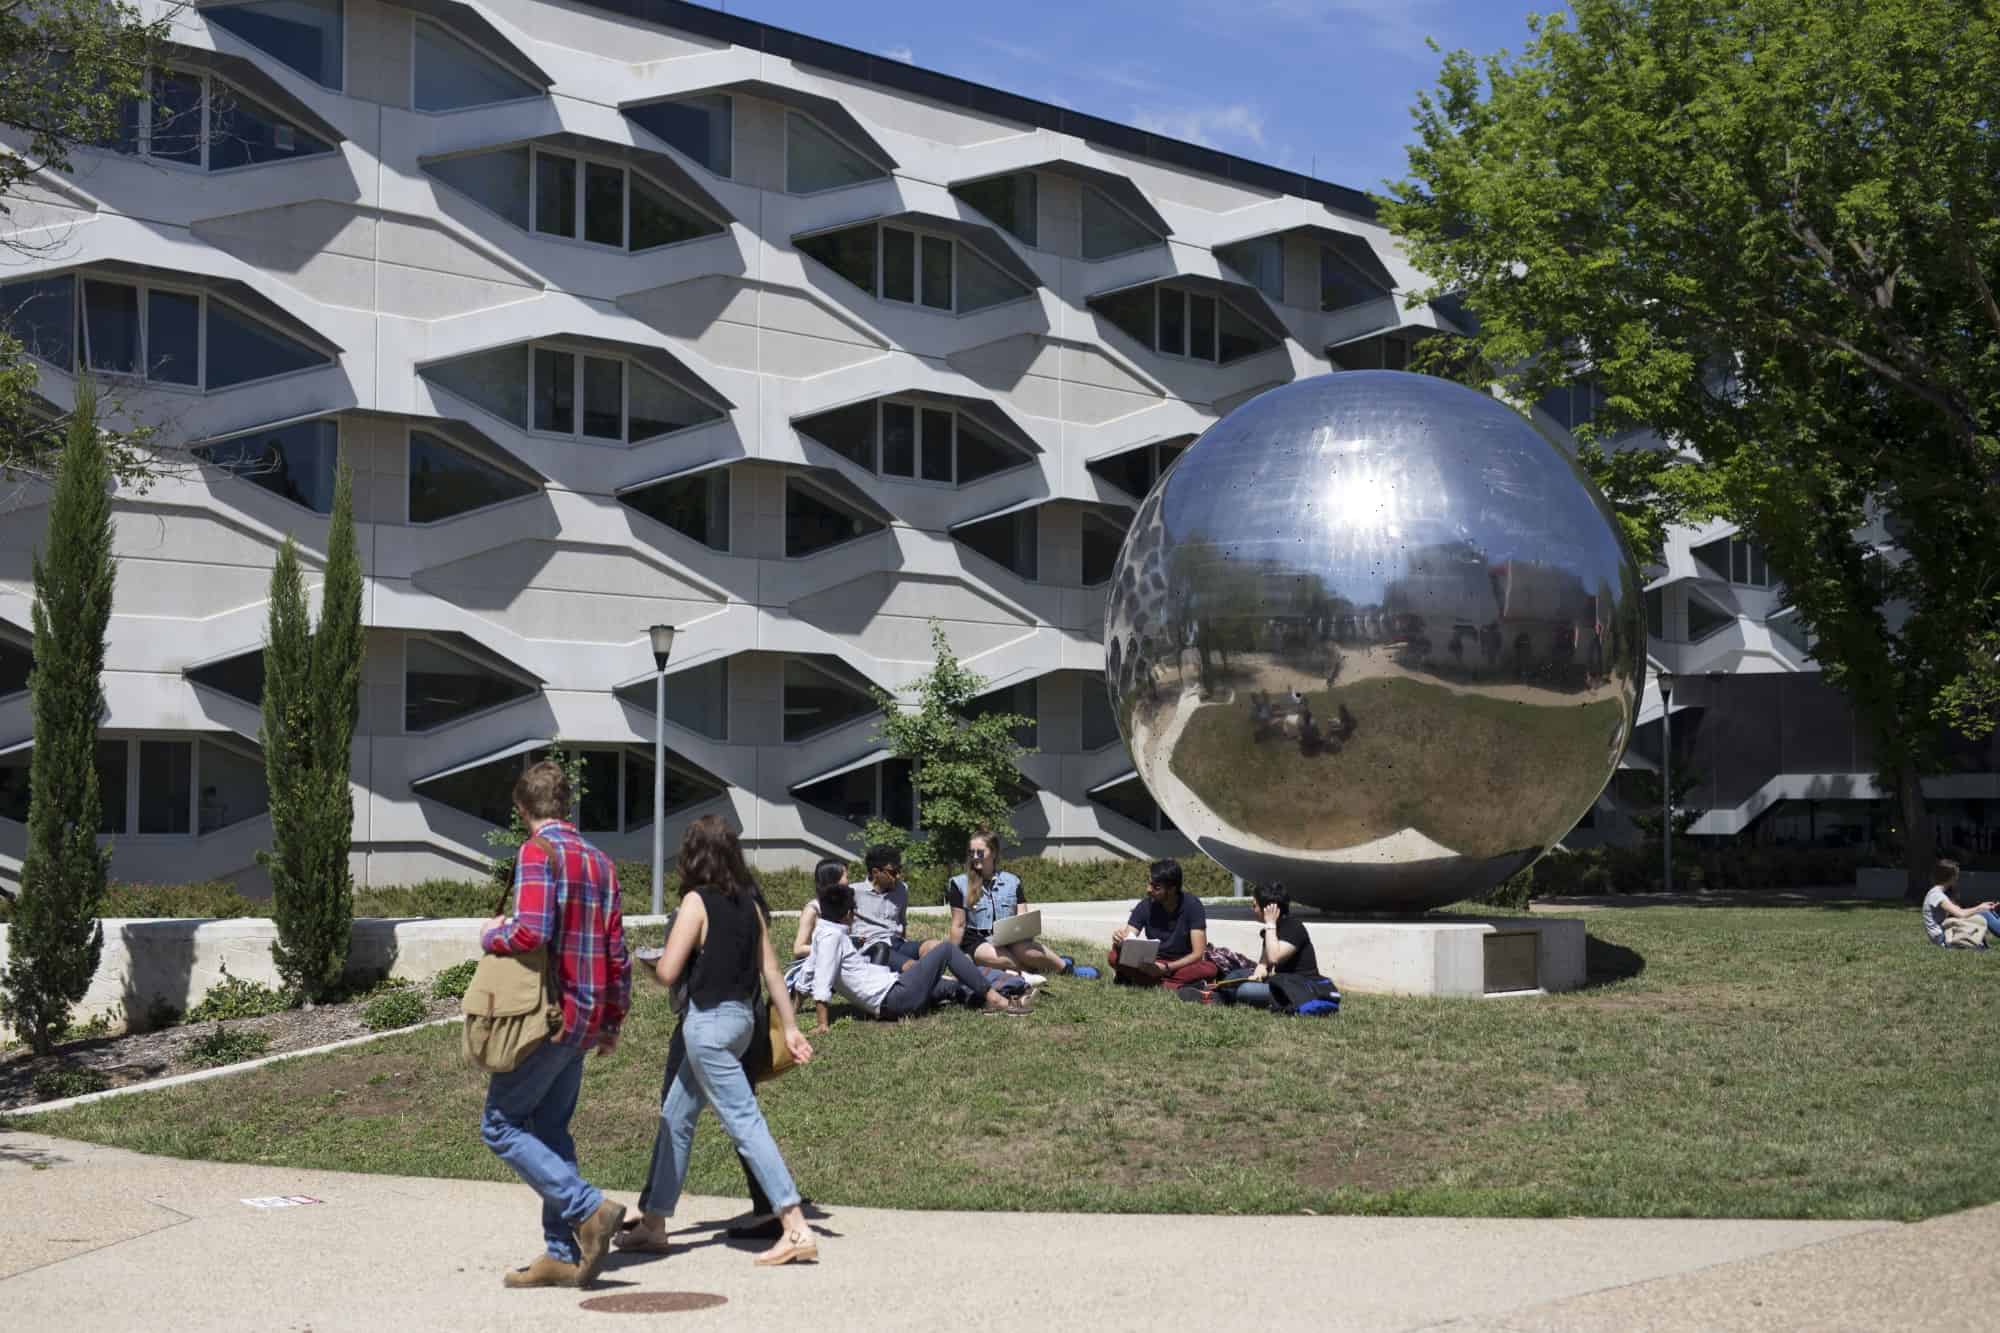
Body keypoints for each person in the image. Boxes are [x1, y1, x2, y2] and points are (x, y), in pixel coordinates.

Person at [621, 815, 819, 1267]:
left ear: (693, 855)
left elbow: (670, 972)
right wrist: (790, 1028)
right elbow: (772, 972)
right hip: (742, 1024)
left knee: (744, 1123)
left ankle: (794, 1225)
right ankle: (653, 1223)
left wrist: (646, 961)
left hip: (706, 1026)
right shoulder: (748, 904)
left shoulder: (696, 902)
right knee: (677, 1113)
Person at [477, 760, 632, 1290]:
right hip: (586, 1017)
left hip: (548, 1015)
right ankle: (560, 1254)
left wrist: (492, 934)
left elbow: (531, 930)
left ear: (522, 810)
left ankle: (588, 1208)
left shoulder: (536, 851)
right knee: (550, 1128)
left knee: (499, 1125)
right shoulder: (600, 860)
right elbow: (617, 953)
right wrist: (612, 1020)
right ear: (566, 806)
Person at [802, 881, 1030, 1026]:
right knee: (947, 950)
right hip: (895, 997)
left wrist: (791, 1013)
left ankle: (1009, 989)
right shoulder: (832, 938)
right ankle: (998, 1000)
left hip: (894, 992)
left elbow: (807, 975)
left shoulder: (823, 934)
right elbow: (821, 982)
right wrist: (822, 1024)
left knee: (950, 987)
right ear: (848, 914)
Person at [946, 831, 1075, 977]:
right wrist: (952, 956)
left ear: (993, 853)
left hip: (1008, 936)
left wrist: (1024, 940)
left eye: (980, 853)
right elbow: (958, 925)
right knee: (1000, 958)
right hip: (977, 939)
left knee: (1026, 952)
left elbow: (1023, 916)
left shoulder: (1012, 881)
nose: (975, 857)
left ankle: (1066, 968)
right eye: (971, 852)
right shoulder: (958, 883)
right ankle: (1034, 968)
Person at [1108, 858, 1218, 988]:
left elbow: (1198, 954)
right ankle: (1173, 985)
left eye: (1156, 887)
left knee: (1209, 969)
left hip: (1180, 963)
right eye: (1149, 884)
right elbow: (1129, 935)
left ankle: (1146, 981)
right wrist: (1120, 939)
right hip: (1151, 962)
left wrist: (1166, 968)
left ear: (1172, 889)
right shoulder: (1145, 905)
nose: (1148, 890)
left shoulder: (1192, 905)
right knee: (1114, 956)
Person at [1217, 883, 1327, 1008]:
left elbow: (1275, 957)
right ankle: (1219, 995)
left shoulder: (1294, 928)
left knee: (1246, 990)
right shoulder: (1271, 931)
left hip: (1300, 987)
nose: (1253, 909)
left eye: (1254, 905)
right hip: (1283, 982)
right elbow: (1264, 964)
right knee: (1235, 976)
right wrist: (1257, 975)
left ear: (1268, 908)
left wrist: (1270, 924)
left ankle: (1223, 996)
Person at [1921, 858, 2000, 947]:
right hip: (1943, 938)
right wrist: (1980, 907)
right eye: (1957, 875)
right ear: (1951, 877)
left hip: (1945, 933)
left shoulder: (1939, 893)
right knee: (1984, 913)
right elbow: (1960, 914)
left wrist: (1984, 908)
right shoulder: (1936, 895)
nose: (1957, 878)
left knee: (1986, 912)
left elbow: (1958, 911)